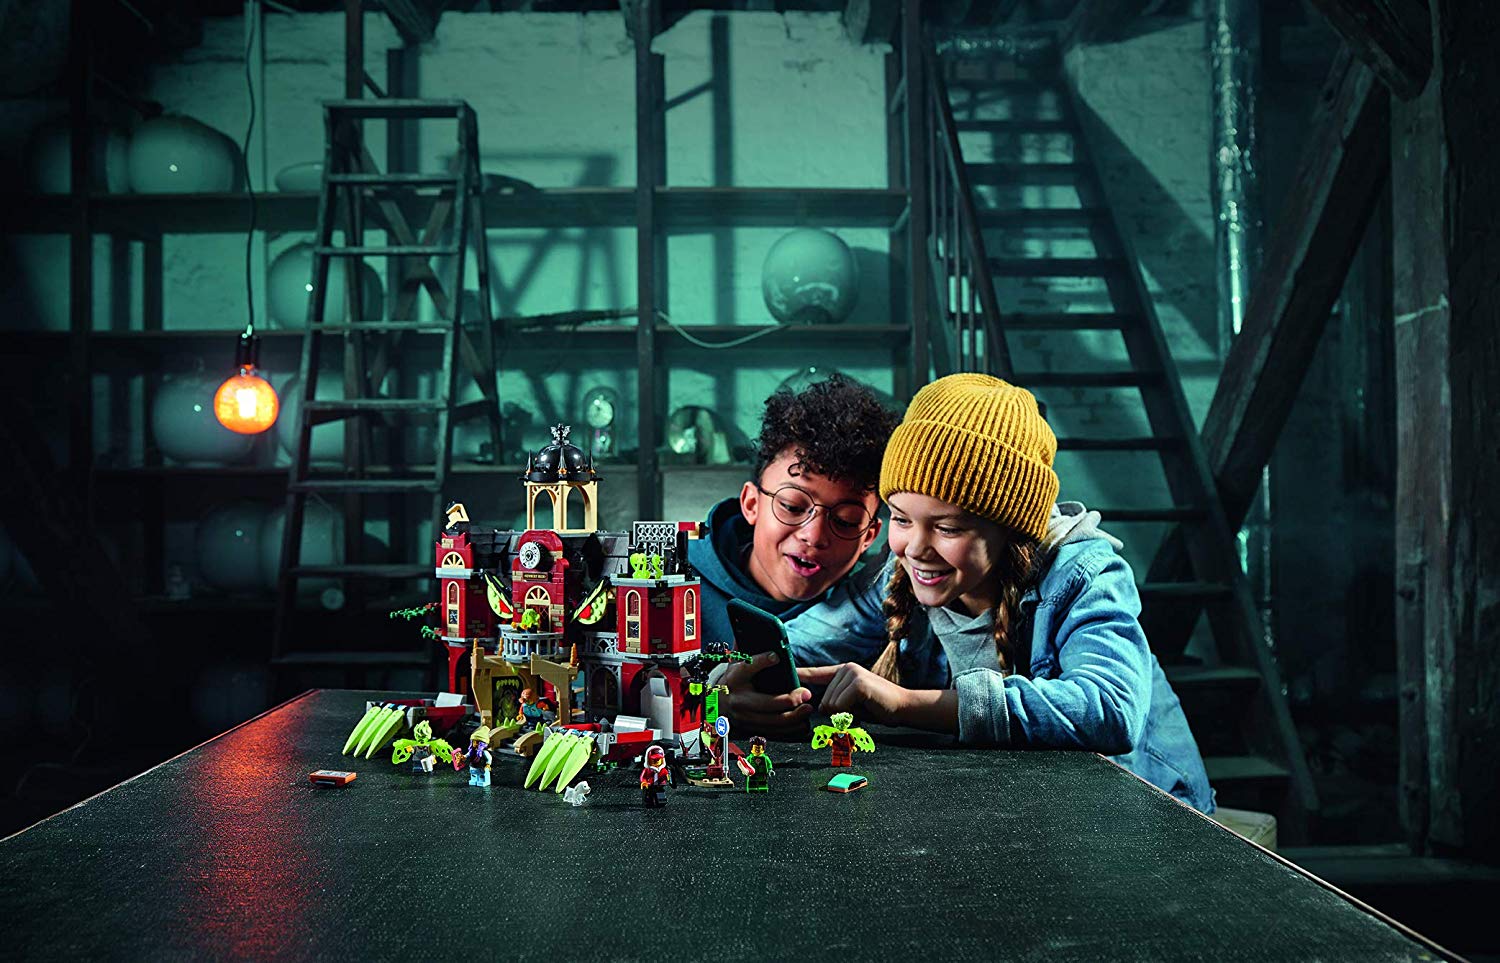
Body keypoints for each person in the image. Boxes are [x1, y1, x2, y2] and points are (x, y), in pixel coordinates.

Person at [786, 373, 1216, 813]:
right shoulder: (902, 576)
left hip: (1142, 814)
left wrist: (905, 704)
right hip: (1025, 807)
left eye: (947, 527)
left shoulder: (1083, 575)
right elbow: (794, 644)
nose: (915, 549)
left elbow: (1109, 709)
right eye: (901, 519)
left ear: (1011, 529)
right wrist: (753, 674)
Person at [689, 374, 901, 734]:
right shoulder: (672, 583)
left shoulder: (879, 609)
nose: (814, 536)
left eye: (846, 521)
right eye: (791, 506)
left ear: (869, 535)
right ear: (751, 504)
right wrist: (709, 708)